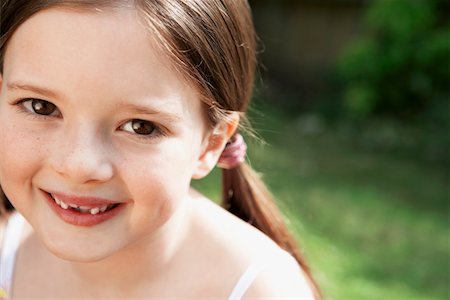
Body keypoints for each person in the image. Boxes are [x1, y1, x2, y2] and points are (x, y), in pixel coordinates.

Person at [0, 0, 321, 299]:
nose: (78, 165)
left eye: (141, 126)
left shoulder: (265, 291)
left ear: (211, 143)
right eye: (40, 106)